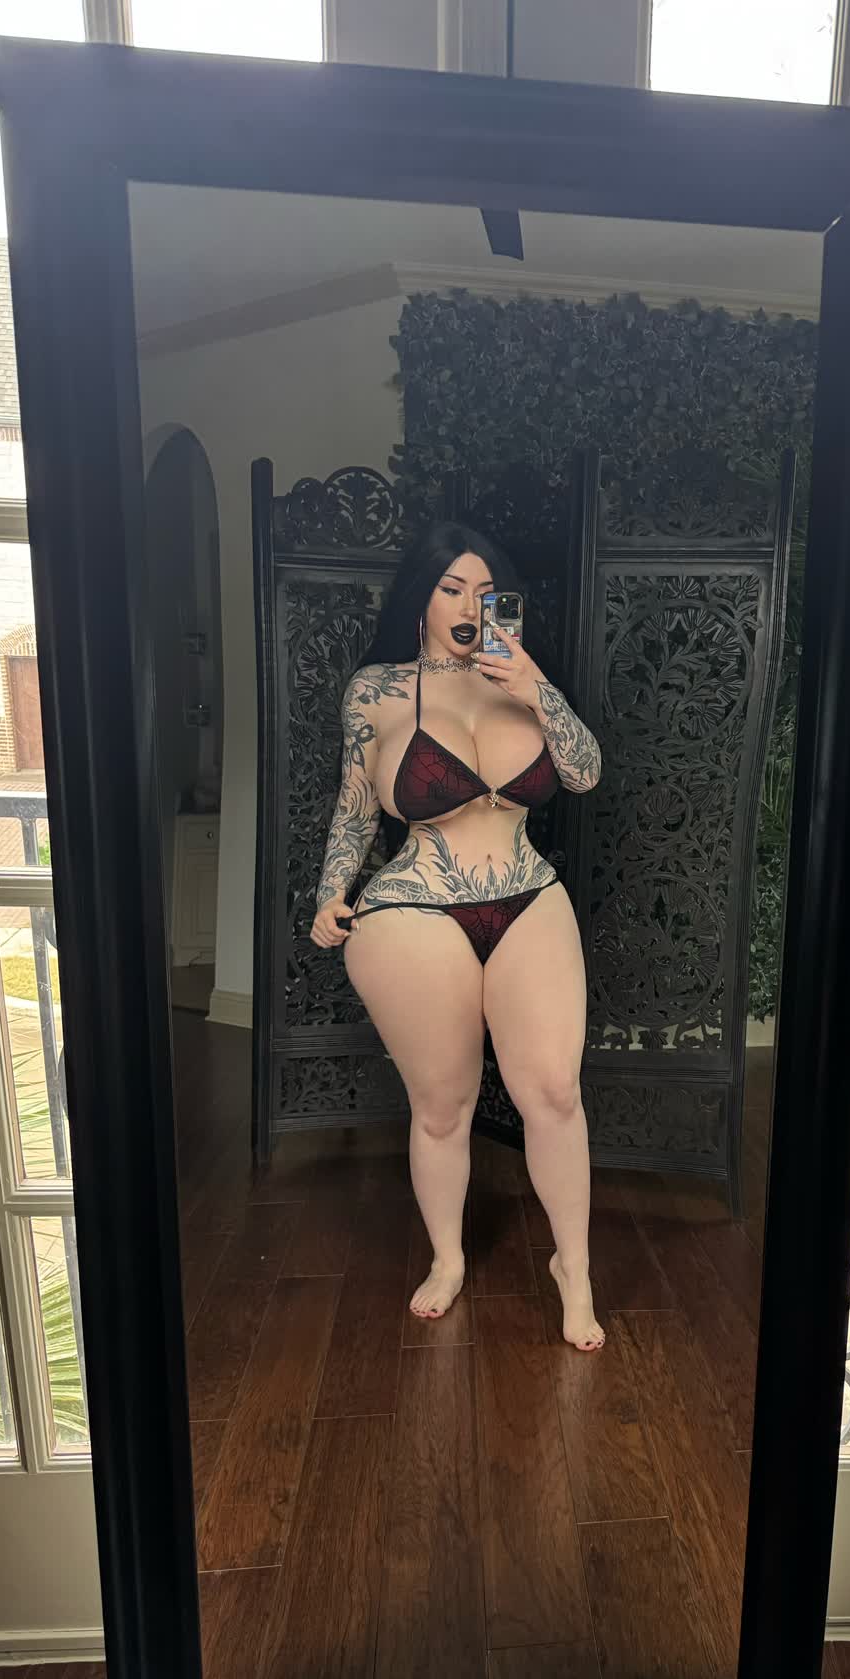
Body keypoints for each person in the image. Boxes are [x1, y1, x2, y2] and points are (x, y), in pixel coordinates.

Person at [309, 519, 606, 1351]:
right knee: (443, 1108)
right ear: (422, 598)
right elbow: (354, 806)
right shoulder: (376, 690)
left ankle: (574, 1268)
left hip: (528, 896)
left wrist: (536, 687)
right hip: (414, 907)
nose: (469, 607)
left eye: (485, 592)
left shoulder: (520, 679)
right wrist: (330, 893)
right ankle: (446, 1259)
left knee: (554, 1092)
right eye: (451, 589)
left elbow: (584, 773)